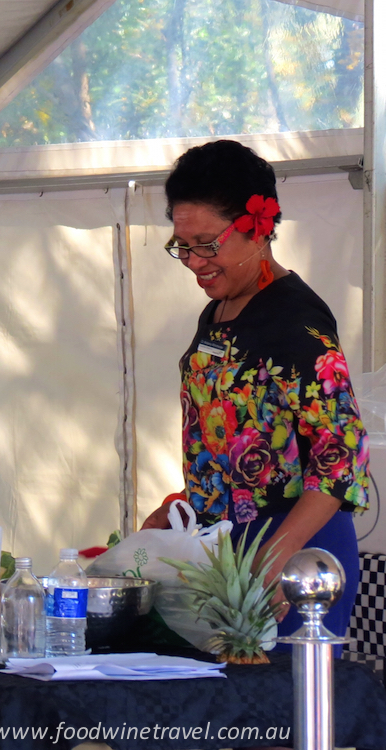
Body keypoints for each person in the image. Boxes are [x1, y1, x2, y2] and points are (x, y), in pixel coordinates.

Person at [141, 139, 369, 642]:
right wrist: (183, 503)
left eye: (208, 244)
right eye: (183, 245)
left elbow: (342, 456)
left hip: (295, 554)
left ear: (258, 228)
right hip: (228, 547)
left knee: (279, 711)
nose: (195, 262)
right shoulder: (220, 309)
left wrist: (278, 554)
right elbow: (240, 432)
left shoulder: (295, 321)